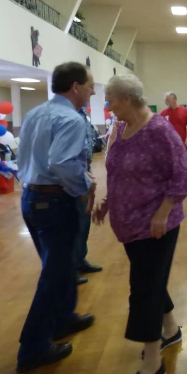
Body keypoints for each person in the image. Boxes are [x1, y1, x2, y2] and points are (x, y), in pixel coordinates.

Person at [93, 75, 187, 374]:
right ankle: (171, 330)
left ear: (127, 99)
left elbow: (183, 174)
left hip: (155, 226)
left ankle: (152, 365)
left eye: (110, 99)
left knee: (144, 289)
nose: (107, 105)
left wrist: (162, 213)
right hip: (128, 225)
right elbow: (119, 172)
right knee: (153, 280)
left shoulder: (159, 130)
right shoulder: (121, 128)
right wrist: (108, 204)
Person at [15, 62, 97, 373]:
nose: (92, 90)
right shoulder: (71, 119)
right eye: (89, 85)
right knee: (54, 273)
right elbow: (63, 163)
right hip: (54, 201)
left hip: (32, 197)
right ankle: (33, 346)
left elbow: (25, 158)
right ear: (75, 87)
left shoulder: (36, 113)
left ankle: (63, 317)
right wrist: (85, 187)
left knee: (61, 268)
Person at [75, 105, 102, 279]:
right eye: (90, 86)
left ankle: (79, 259)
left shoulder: (82, 113)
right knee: (73, 223)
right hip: (73, 173)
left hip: (84, 168)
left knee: (84, 219)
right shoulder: (66, 116)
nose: (93, 90)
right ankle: (69, 268)